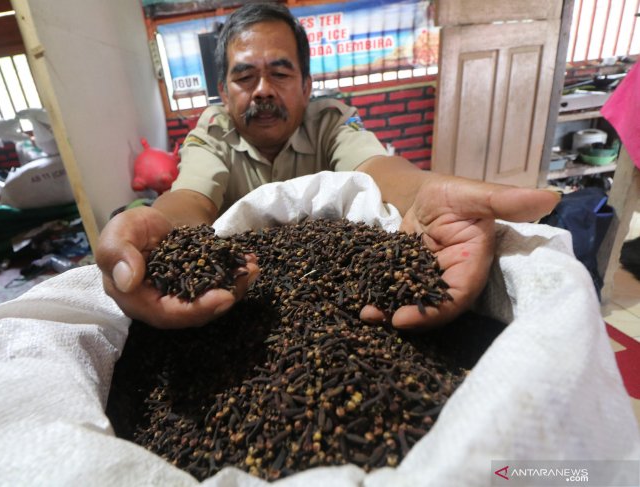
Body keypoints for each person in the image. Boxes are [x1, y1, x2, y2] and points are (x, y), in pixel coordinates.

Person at [96, 2, 560, 331]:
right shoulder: (212, 132)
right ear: (222, 89)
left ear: (306, 85)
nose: (261, 90)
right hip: (243, 299)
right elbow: (191, 197)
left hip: (351, 297)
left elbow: (375, 166)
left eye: (280, 73)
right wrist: (163, 225)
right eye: (244, 76)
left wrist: (425, 191)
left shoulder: (331, 119)